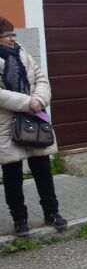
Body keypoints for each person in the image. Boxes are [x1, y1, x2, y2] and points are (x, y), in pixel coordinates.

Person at [0, 18, 67, 236]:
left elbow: (40, 79)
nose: (12, 38)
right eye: (7, 36)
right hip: (7, 124)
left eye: (12, 34)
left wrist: (38, 100)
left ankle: (52, 212)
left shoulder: (22, 52)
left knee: (43, 170)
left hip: (34, 120)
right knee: (12, 175)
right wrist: (27, 103)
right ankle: (20, 220)